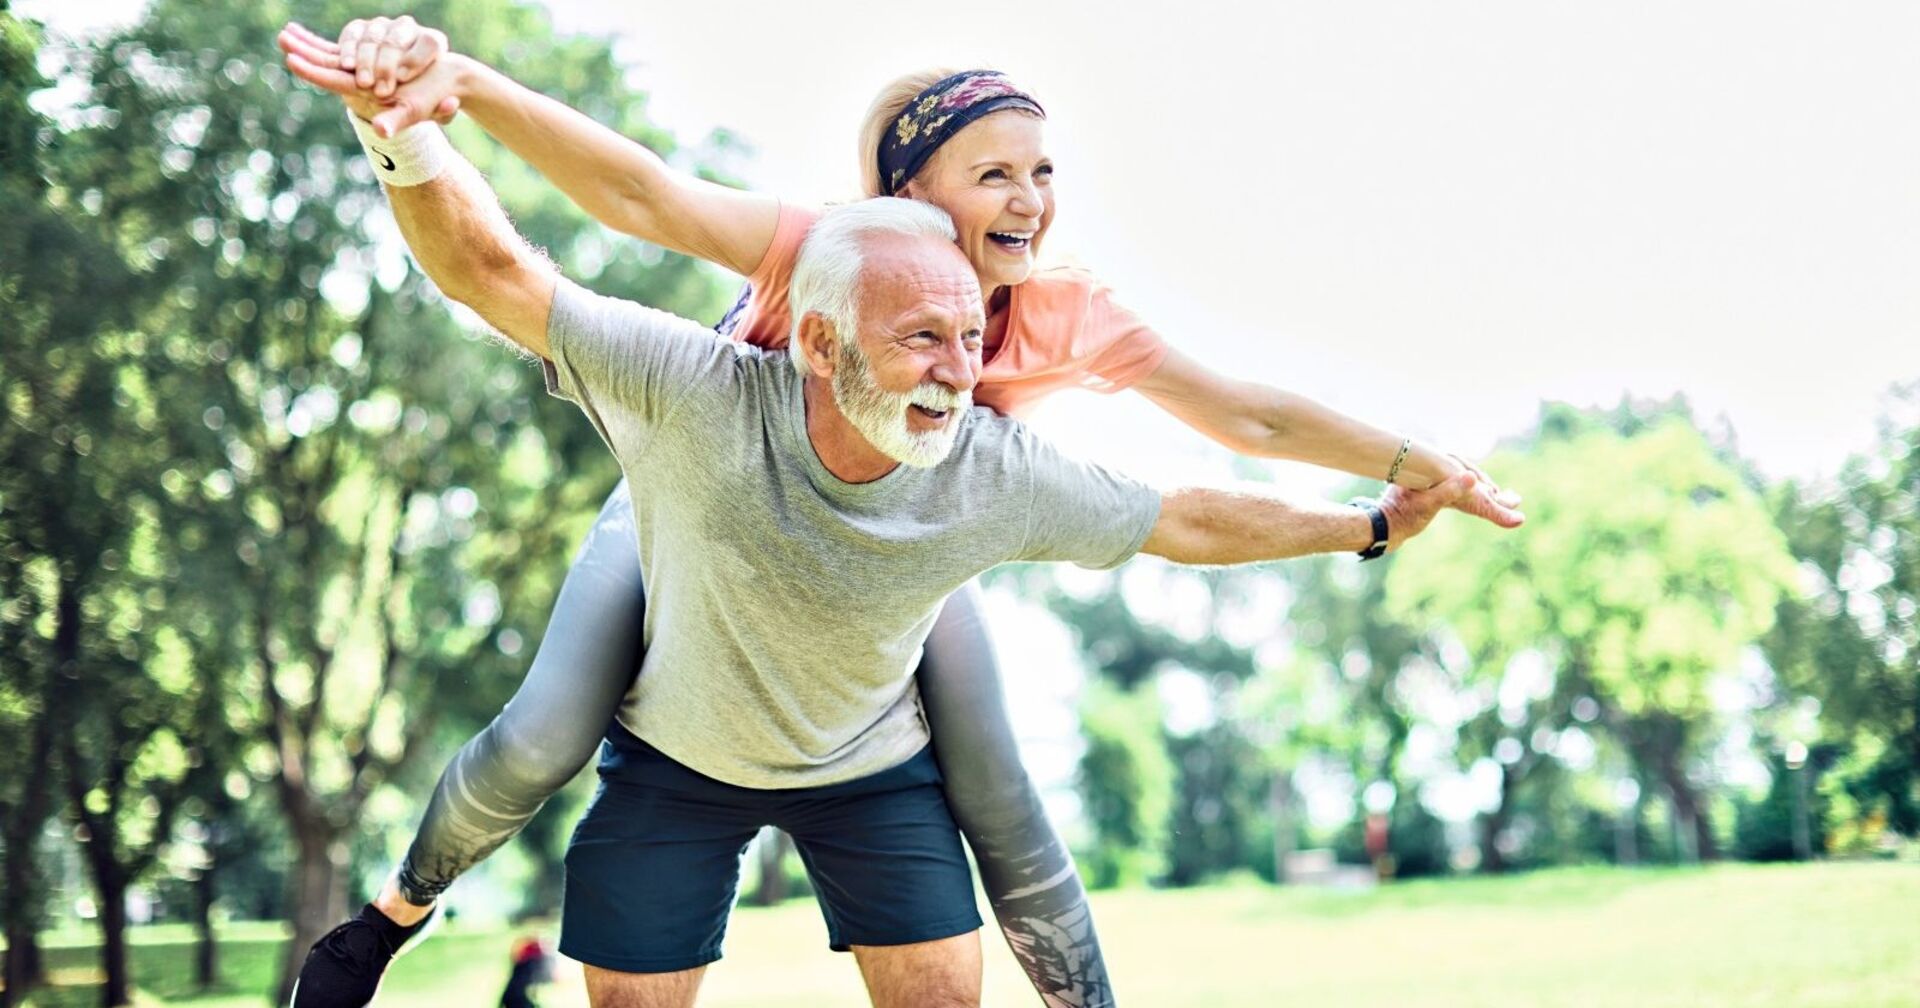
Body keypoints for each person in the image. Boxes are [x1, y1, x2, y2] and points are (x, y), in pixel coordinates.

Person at [276, 18, 1524, 1008]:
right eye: (997, 172)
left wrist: (1415, 475)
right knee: (545, 733)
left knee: (1000, 790)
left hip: (907, 540)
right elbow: (643, 200)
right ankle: (392, 917)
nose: (1031, 198)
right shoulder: (827, 249)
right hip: (707, 514)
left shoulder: (1058, 311)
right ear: (911, 187)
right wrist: (463, 92)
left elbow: (1240, 427)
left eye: (1044, 170)